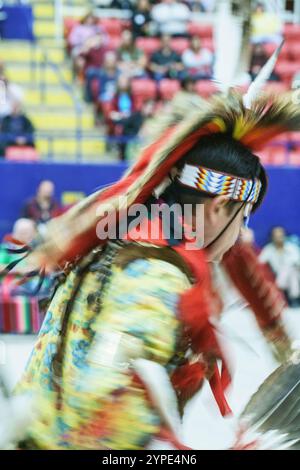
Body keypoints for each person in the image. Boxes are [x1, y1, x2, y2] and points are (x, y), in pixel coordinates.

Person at [12, 80, 300, 449]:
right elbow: (106, 389)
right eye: (242, 219)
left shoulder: (123, 232)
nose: (241, 237)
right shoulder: (158, 273)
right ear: (216, 208)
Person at [260, 226, 300, 307]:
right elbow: (259, 263)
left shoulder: (291, 247)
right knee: (289, 271)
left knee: (291, 269)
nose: (279, 238)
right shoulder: (268, 249)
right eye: (276, 236)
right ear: (272, 237)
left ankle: (286, 294)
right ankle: (294, 299)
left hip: (294, 276)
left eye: (281, 235)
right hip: (277, 276)